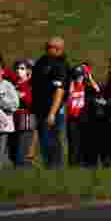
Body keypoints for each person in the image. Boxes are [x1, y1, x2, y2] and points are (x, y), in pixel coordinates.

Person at [31, 37, 69, 168]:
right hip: (40, 109)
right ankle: (48, 167)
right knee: (44, 141)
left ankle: (55, 168)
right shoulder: (42, 61)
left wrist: (52, 113)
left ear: (58, 49)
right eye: (46, 46)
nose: (46, 49)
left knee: (52, 141)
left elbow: (60, 91)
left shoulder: (61, 66)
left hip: (52, 111)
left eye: (49, 47)